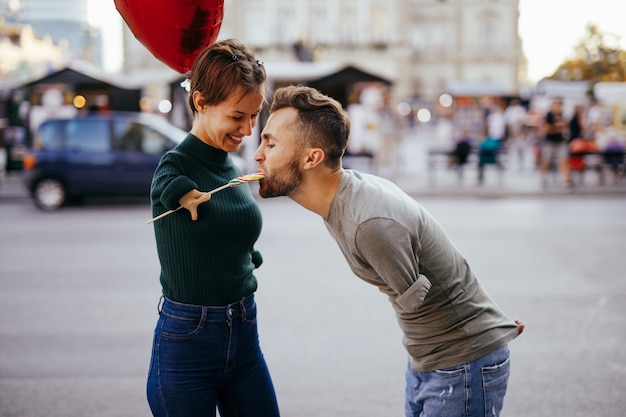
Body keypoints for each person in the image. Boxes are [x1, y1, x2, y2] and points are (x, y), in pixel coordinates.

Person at [253, 85, 524, 417]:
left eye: (270, 143)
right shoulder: (347, 193)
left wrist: (485, 328)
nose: (257, 154)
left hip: (459, 366)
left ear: (312, 158)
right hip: (433, 362)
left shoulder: (368, 221)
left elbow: (418, 295)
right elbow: (439, 264)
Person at [147, 38, 280, 417]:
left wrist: (245, 254)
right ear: (201, 102)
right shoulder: (177, 163)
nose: (247, 129)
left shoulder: (229, 165)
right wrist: (185, 196)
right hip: (189, 339)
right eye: (238, 116)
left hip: (243, 333)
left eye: (254, 116)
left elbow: (226, 229)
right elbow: (166, 185)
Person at [540, 98, 570, 188]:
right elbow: (545, 129)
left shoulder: (561, 115)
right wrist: (556, 127)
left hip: (560, 140)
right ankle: (543, 178)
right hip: (549, 141)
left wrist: (562, 126)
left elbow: (565, 127)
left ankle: (566, 181)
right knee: (546, 161)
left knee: (563, 161)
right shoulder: (548, 116)